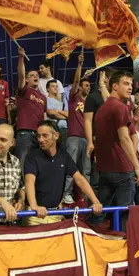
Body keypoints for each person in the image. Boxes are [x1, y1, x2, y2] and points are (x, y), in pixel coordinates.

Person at [89, 71, 139, 230]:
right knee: (124, 213)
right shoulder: (120, 107)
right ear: (114, 86)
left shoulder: (104, 108)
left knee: (100, 212)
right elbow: (125, 139)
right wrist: (137, 167)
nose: (130, 88)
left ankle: (91, 240)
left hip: (105, 169)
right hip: (122, 169)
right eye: (126, 84)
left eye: (131, 85)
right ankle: (121, 247)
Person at [24, 121, 102, 226]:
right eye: (38, 136)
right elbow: (29, 182)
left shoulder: (64, 156)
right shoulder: (32, 156)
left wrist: (95, 201)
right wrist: (34, 207)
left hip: (56, 214)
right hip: (34, 215)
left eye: (45, 135)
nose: (40, 140)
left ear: (56, 135)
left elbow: (79, 178)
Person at [14, 47, 47, 165]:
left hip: (39, 135)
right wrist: (21, 58)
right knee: (23, 162)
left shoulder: (43, 97)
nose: (35, 76)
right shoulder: (25, 90)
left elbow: (44, 117)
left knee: (36, 163)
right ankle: (21, 184)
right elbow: (21, 75)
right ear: (27, 80)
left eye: (37, 75)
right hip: (25, 133)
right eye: (32, 75)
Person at [63, 52, 87, 204]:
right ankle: (66, 193)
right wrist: (79, 64)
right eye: (85, 85)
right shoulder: (74, 97)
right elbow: (76, 80)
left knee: (86, 170)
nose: (88, 87)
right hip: (73, 136)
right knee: (71, 167)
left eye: (89, 85)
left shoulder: (89, 102)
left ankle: (84, 195)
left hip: (86, 138)